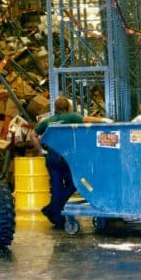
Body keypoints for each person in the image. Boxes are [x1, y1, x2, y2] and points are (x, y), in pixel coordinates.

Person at [31, 96, 109, 228]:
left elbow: (33, 134)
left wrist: (40, 150)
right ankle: (52, 209)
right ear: (68, 107)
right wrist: (104, 120)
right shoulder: (71, 117)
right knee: (73, 183)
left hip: (52, 157)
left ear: (55, 108)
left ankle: (56, 214)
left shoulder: (47, 121)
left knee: (56, 187)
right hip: (68, 158)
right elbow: (88, 120)